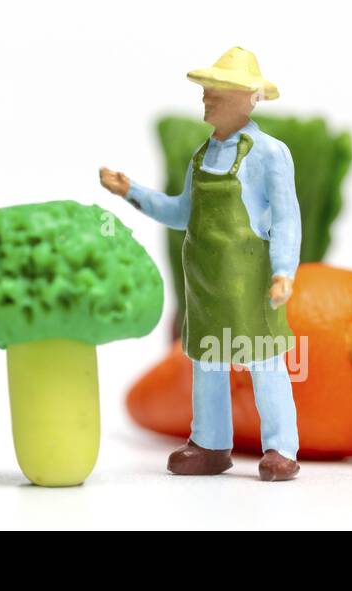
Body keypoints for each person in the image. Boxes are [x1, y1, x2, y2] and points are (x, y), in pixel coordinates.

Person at [99, 47, 302, 482]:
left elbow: (287, 219)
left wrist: (284, 271)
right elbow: (179, 213)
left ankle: (280, 449)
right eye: (207, 91)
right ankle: (210, 444)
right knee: (208, 363)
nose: (206, 98)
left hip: (253, 280)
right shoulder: (201, 154)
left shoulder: (270, 153)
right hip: (205, 280)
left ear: (249, 98)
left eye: (218, 92)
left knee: (264, 362)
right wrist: (129, 190)